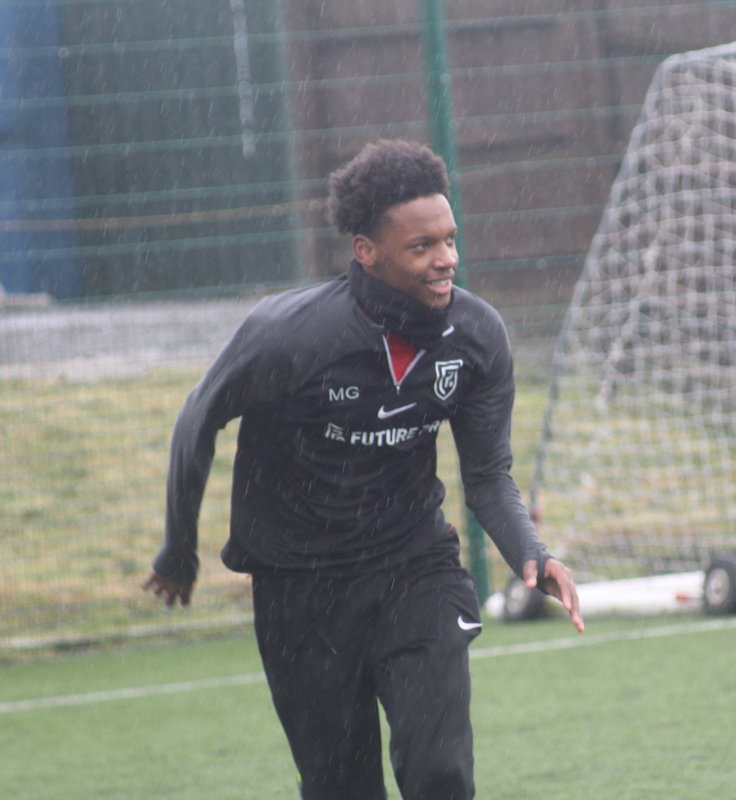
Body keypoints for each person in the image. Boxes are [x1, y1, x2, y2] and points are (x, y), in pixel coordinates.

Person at [142, 138, 583, 800]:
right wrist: (179, 549)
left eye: (450, 239)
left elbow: (488, 476)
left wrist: (530, 551)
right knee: (340, 787)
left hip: (413, 569)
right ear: (365, 251)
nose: (446, 261)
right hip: (299, 591)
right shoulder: (289, 335)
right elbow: (195, 422)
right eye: (422, 247)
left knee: (440, 771)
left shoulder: (477, 337)